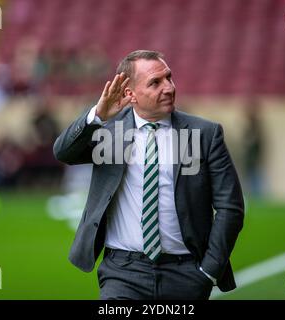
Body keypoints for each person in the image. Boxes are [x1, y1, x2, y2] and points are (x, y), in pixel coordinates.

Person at [53, 50, 244, 300]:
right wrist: (97, 116)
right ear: (130, 94)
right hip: (122, 272)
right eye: (155, 82)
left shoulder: (204, 134)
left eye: (169, 78)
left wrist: (208, 271)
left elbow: (230, 207)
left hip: (186, 273)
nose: (168, 87)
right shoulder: (109, 132)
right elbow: (64, 152)